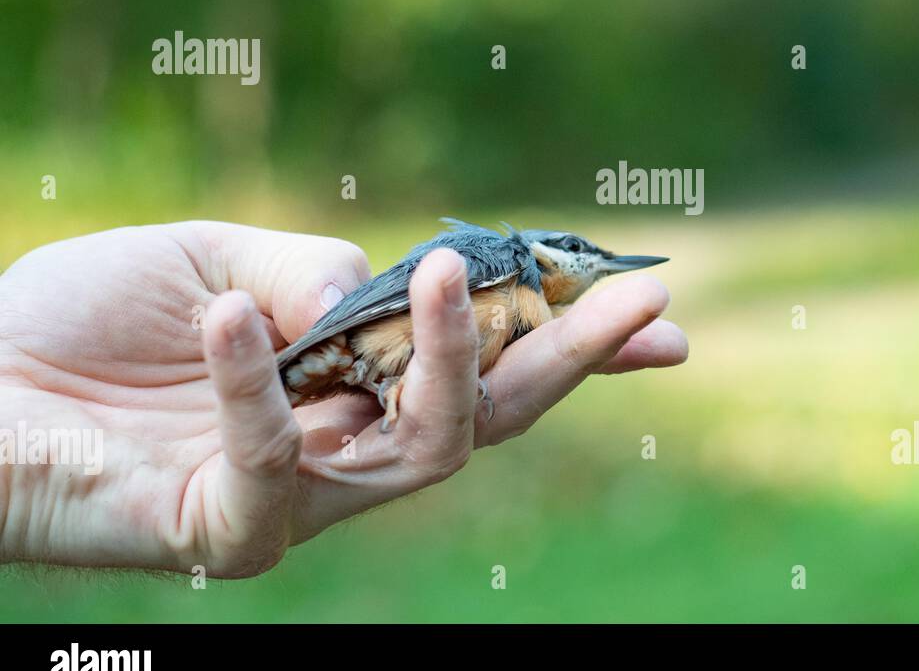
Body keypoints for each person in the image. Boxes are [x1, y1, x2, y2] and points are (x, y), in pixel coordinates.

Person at [0, 221, 687, 577]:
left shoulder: (530, 318)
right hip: (353, 348)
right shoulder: (502, 260)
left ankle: (383, 381)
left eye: (602, 267)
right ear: (543, 252)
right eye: (580, 254)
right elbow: (381, 304)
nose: (591, 267)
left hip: (349, 369)